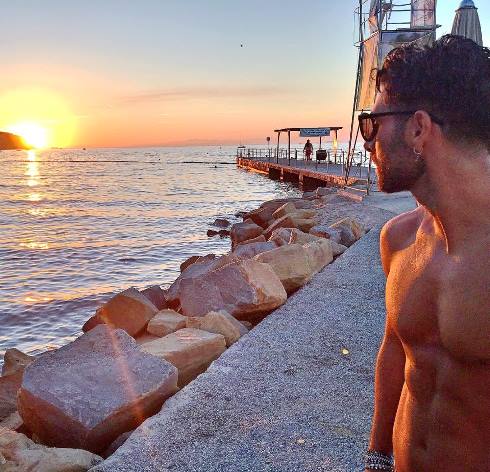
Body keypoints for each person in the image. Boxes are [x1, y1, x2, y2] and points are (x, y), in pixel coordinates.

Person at [361, 35, 490, 472]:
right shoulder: (399, 239)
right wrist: (376, 458)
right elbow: (396, 351)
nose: (367, 142)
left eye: (372, 124)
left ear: (418, 128)